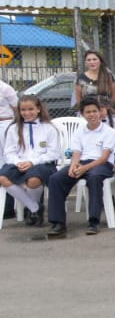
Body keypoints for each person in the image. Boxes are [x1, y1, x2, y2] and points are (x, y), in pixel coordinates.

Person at [46, 97, 115, 238]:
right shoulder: (79, 131)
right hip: (82, 162)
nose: (92, 115)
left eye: (94, 111)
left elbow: (104, 157)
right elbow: (76, 153)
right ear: (82, 114)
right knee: (56, 178)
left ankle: (93, 221)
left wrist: (85, 168)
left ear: (100, 112)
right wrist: (74, 166)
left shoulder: (109, 132)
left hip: (102, 164)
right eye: (88, 112)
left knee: (94, 177)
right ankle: (58, 222)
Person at [1, 95, 60, 226]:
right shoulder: (13, 128)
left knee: (33, 181)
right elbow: (8, 152)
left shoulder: (48, 128)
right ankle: (35, 208)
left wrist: (32, 162)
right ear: (19, 111)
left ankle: (32, 211)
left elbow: (53, 153)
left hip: (42, 163)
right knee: (3, 177)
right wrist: (18, 162)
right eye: (23, 110)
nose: (27, 113)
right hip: (19, 163)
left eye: (30, 109)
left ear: (38, 109)